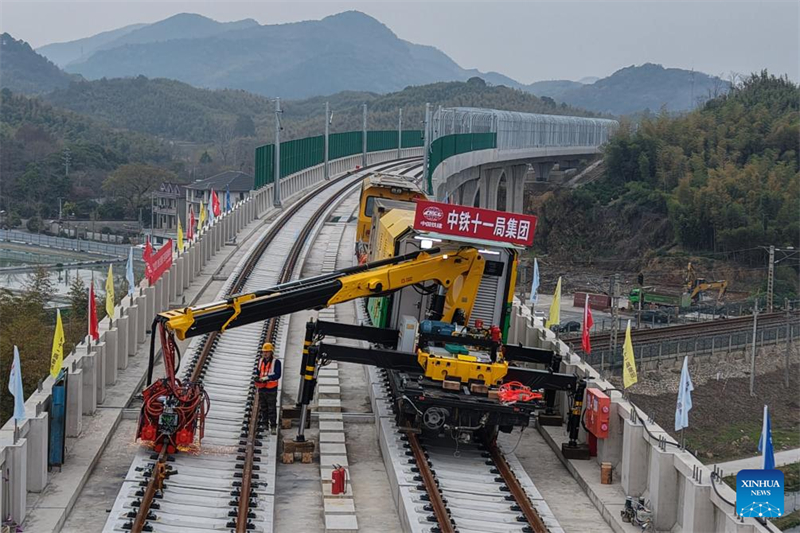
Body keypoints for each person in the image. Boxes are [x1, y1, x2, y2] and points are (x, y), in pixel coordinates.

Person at [255, 342, 281, 434]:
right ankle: (265, 424)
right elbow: (258, 372)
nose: (265, 353)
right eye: (264, 352)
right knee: (263, 407)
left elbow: (278, 374)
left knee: (271, 408)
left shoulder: (276, 362)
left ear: (271, 352)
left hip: (271, 388)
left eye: (267, 352)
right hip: (262, 388)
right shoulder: (260, 361)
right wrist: (258, 379)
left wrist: (267, 378)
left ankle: (273, 426)